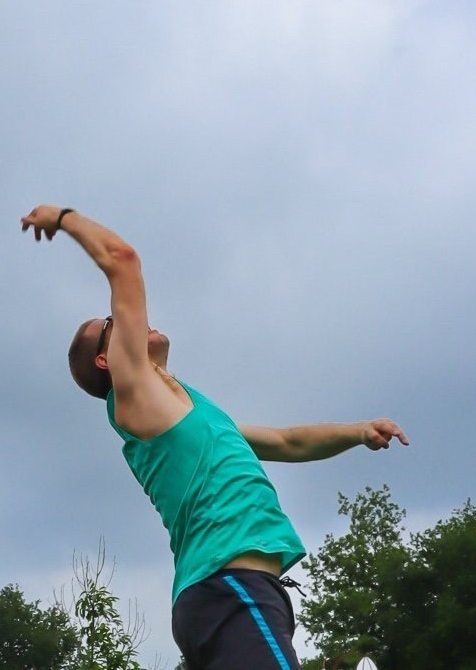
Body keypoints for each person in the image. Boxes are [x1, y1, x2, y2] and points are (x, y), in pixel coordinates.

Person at [21, 204, 409, 670]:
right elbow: (122, 259)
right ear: (109, 360)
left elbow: (287, 442)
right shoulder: (134, 396)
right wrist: (62, 217)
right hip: (229, 588)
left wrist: (358, 432)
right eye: (113, 324)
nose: (128, 320)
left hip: (237, 593)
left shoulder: (191, 414)